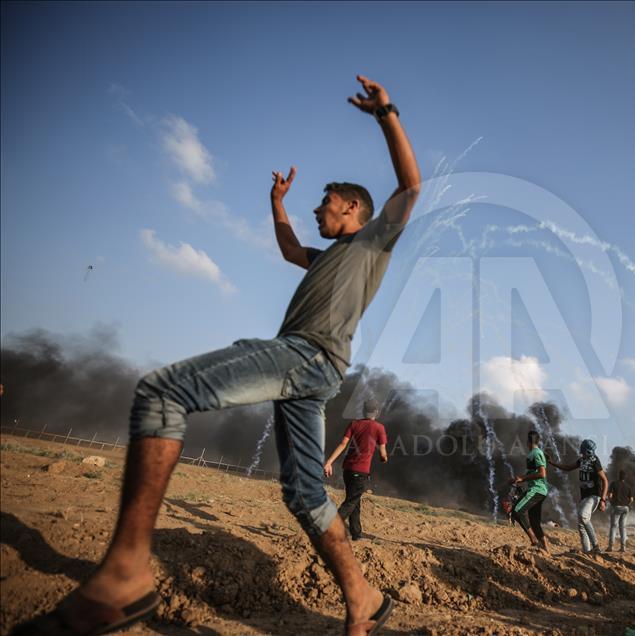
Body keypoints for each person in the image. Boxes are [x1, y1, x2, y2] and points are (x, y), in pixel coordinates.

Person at [12, 75, 420, 636]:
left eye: (325, 202)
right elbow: (286, 249)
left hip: (306, 356)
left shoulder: (371, 245)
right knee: (303, 494)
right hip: (313, 375)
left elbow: (411, 185)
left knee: (161, 392)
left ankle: (126, 575)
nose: (317, 210)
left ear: (353, 207)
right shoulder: (327, 255)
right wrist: (275, 203)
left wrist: (386, 113)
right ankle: (365, 599)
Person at [324, 398, 388, 541]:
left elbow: (342, 444)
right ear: (376, 412)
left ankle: (356, 534)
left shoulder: (353, 424)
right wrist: (384, 458)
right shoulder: (379, 428)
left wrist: (329, 462)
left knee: (354, 501)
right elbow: (383, 453)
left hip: (348, 469)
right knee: (351, 502)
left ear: (364, 411)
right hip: (361, 471)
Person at [548, 439, 608, 553]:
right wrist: (552, 462)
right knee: (581, 524)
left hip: (594, 496)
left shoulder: (595, 461)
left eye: (585, 450)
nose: (583, 452)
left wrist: (603, 500)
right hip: (584, 497)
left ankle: (596, 546)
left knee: (583, 516)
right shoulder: (581, 461)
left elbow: (605, 480)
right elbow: (567, 467)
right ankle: (587, 551)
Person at [510, 430, 551, 552]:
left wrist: (523, 478)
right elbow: (533, 473)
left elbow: (542, 473)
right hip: (539, 490)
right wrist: (517, 479)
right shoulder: (534, 453)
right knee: (534, 521)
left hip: (537, 490)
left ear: (528, 442)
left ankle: (533, 539)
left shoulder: (536, 453)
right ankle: (546, 548)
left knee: (516, 511)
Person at [607, 470, 634, 551]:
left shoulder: (613, 483)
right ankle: (623, 547)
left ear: (618, 476)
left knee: (613, 527)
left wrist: (611, 502)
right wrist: (627, 504)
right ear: (625, 478)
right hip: (626, 508)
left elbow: (610, 495)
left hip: (617, 507)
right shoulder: (628, 486)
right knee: (623, 528)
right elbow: (632, 499)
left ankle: (611, 547)